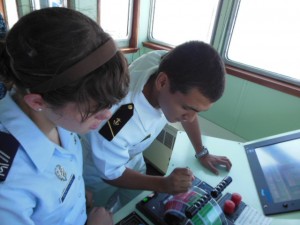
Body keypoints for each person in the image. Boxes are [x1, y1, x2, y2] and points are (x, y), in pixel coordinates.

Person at [0, 7, 129, 225]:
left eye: (108, 105)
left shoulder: (56, 114)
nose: (107, 115)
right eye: (95, 108)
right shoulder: (10, 184)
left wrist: (76, 196)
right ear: (37, 101)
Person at [82, 41, 232, 211]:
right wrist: (163, 184)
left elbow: (189, 108)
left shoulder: (164, 62)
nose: (190, 118)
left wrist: (201, 151)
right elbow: (110, 173)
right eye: (186, 108)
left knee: (136, 207)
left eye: (197, 111)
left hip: (134, 158)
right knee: (103, 212)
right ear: (162, 82)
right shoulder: (117, 119)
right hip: (99, 171)